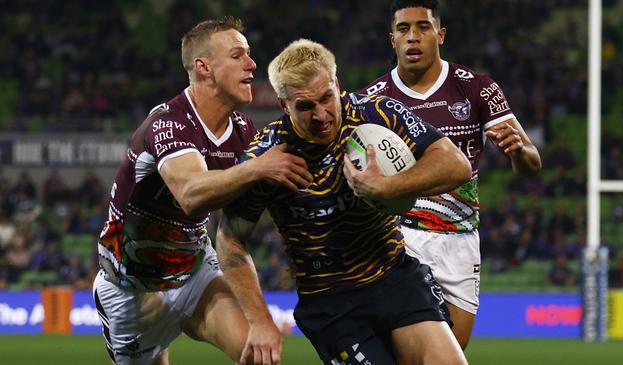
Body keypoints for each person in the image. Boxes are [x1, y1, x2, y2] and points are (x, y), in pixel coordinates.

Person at [217, 38, 471, 365]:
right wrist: (260, 320)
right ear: (283, 105)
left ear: (337, 85)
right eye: (306, 106)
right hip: (332, 303)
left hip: (395, 278)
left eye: (326, 98)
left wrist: (389, 187)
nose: (321, 115)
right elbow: (229, 239)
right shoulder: (267, 157)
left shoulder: (376, 113)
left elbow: (456, 165)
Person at [92, 17, 313, 365]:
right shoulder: (168, 123)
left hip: (195, 272)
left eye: (250, 55)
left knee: (259, 357)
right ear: (203, 67)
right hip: (131, 292)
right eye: (238, 55)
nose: (252, 64)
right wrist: (257, 167)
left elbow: (235, 228)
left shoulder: (243, 130)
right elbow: (192, 195)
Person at [358, 0, 542, 349]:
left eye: (423, 28)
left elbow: (531, 166)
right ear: (392, 39)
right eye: (403, 29)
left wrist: (519, 150)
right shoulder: (371, 101)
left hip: (459, 240)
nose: (413, 37)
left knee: (451, 354)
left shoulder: (476, 88)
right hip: (398, 237)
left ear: (439, 34)